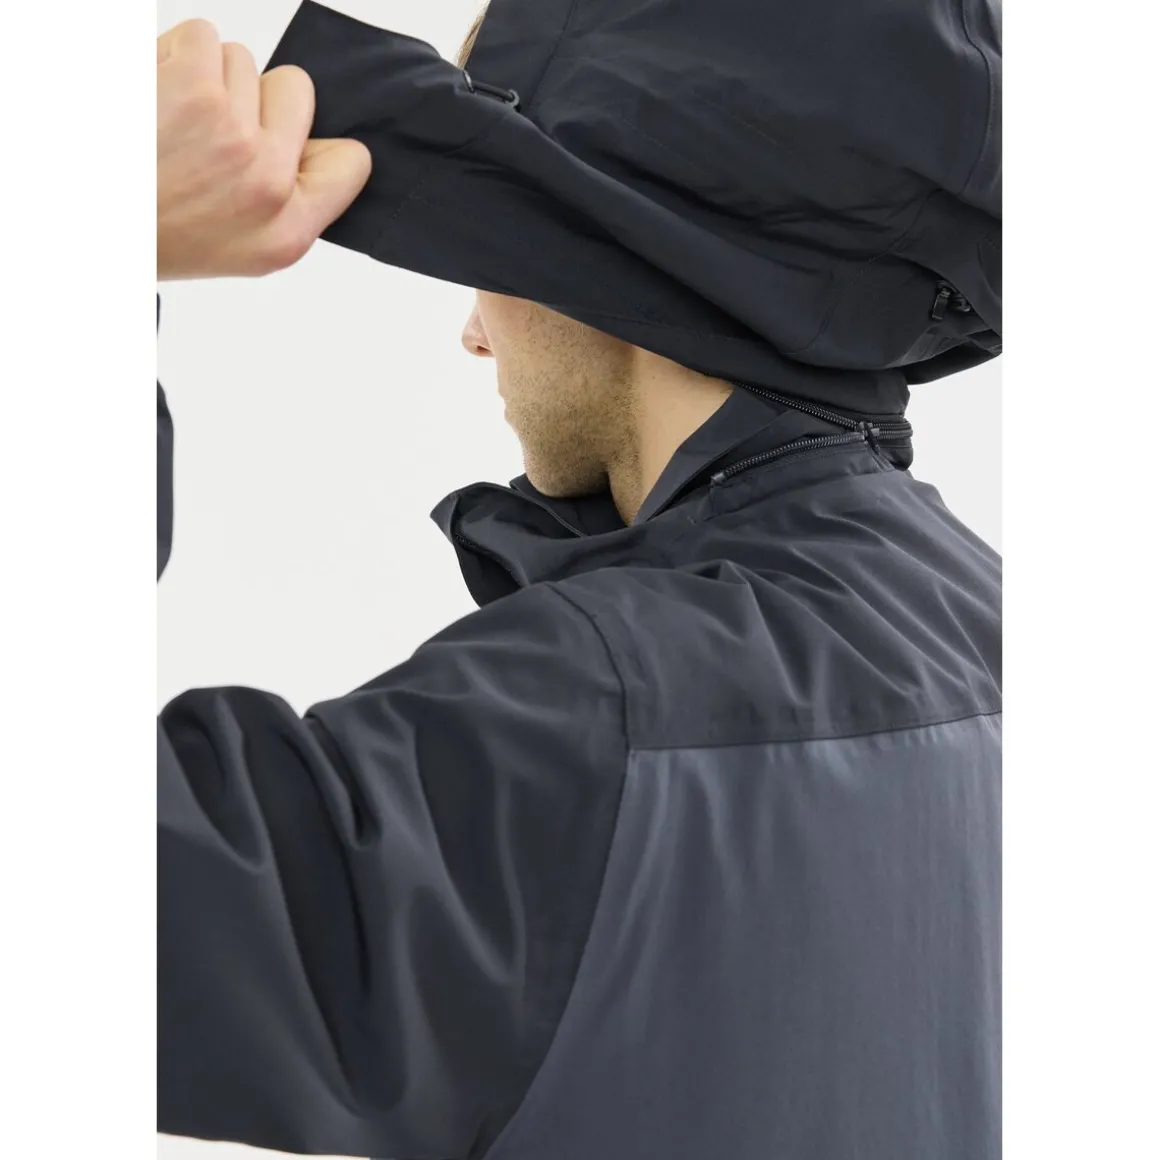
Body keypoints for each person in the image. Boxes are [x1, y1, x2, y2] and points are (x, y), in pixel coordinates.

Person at [158, 4, 1001, 1159]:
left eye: (495, 247)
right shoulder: (1001, 628)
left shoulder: (585, 722)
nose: (474, 331)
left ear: (599, 243)